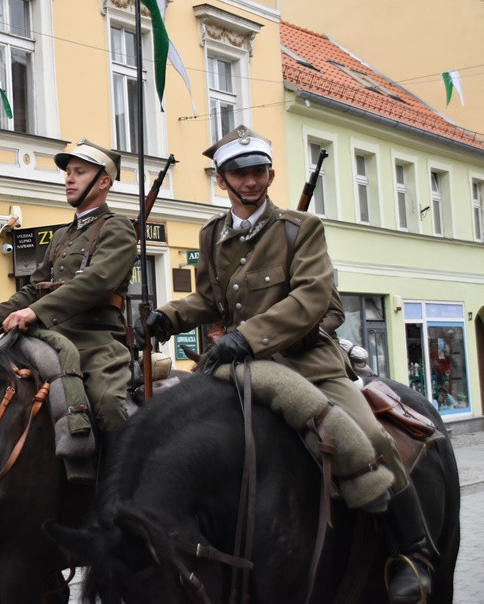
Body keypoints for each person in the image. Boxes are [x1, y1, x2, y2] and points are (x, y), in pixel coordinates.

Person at [145, 125, 435, 604]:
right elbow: (210, 298)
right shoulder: (213, 233)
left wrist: (248, 335)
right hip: (237, 367)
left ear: (271, 174)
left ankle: (415, 553)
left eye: (258, 171)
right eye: (239, 173)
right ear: (222, 181)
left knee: (371, 436)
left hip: (308, 363)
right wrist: (168, 316)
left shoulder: (300, 229)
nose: (251, 181)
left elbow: (312, 297)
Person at [0, 143, 137, 436]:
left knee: (108, 404)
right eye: (68, 172)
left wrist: (35, 313)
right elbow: (31, 292)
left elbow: (98, 281)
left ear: (104, 182)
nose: (69, 178)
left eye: (80, 172)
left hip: (94, 342)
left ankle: (125, 477)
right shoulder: (62, 235)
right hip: (49, 340)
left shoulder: (118, 228)